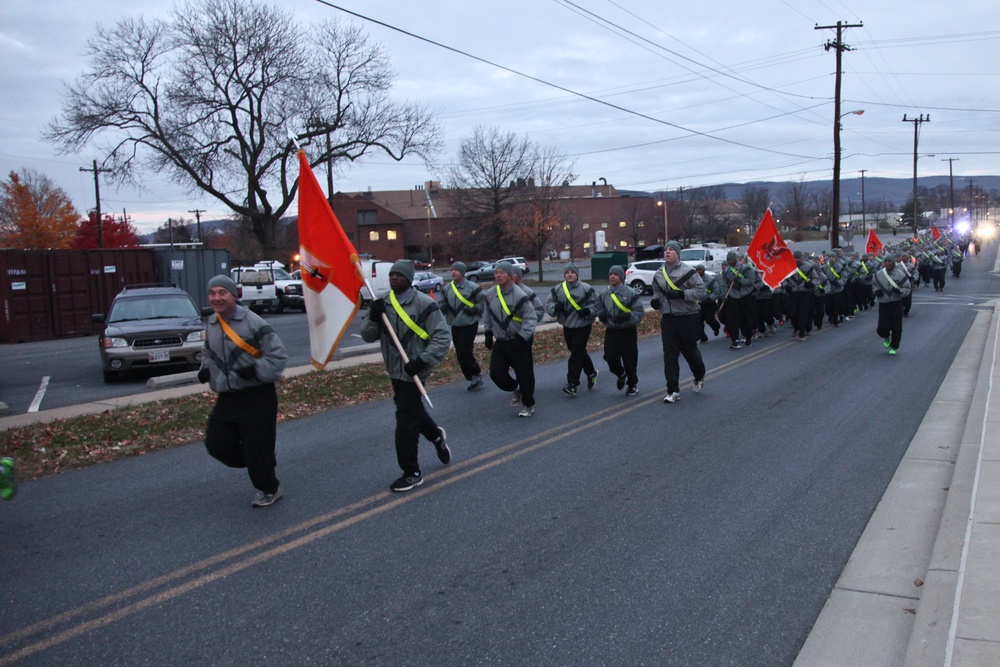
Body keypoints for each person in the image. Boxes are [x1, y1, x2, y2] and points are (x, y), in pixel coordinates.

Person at [361, 260, 452, 492]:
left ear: (409, 279)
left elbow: (442, 338)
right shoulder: (381, 302)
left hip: (416, 370)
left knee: (405, 419)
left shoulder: (424, 303)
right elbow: (367, 336)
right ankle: (436, 436)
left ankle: (411, 472)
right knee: (409, 409)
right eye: (391, 275)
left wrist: (422, 361)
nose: (393, 278)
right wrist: (373, 316)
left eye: (399, 275)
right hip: (395, 369)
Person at [199, 275, 289, 508]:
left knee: (256, 447)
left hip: (257, 395)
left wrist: (257, 371)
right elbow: (209, 353)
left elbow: (278, 356)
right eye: (213, 293)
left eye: (222, 293)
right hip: (227, 397)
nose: (216, 298)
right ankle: (262, 461)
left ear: (233, 295)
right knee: (216, 444)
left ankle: (269, 488)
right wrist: (204, 370)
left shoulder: (253, 322)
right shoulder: (210, 323)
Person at [649, 241, 707, 403]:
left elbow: (701, 291)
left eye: (671, 250)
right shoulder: (659, 274)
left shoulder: (688, 271)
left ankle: (699, 374)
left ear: (678, 254)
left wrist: (682, 294)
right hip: (668, 318)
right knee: (670, 354)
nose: (667, 252)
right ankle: (673, 390)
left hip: (687, 317)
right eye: (666, 250)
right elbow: (657, 292)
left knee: (690, 352)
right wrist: (655, 301)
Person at [483, 261, 538, 417]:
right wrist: (488, 333)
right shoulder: (490, 294)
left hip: (519, 341)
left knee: (525, 374)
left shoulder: (520, 296)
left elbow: (531, 317)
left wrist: (522, 337)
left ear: (510, 275)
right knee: (495, 373)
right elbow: (487, 315)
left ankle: (528, 404)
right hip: (501, 341)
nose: (498, 275)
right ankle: (515, 388)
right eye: (496, 272)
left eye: (501, 272)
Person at [546, 262, 599, 396]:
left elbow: (597, 305)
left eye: (572, 272)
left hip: (583, 326)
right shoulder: (558, 290)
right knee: (578, 352)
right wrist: (555, 308)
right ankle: (591, 372)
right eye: (567, 272)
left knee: (576, 354)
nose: (570, 275)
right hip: (567, 326)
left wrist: (588, 311)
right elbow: (549, 304)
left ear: (577, 275)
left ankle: (572, 384)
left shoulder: (586, 289)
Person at [436, 261, 485, 391]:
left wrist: (474, 309)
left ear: (462, 272)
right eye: (452, 270)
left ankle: (476, 374)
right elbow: (440, 302)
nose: (453, 272)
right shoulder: (447, 289)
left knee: (465, 350)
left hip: (469, 323)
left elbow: (482, 304)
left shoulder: (473, 288)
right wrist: (443, 307)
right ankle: (470, 376)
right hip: (455, 324)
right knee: (459, 353)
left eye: (456, 270)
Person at [597, 265, 645, 395]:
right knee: (609, 357)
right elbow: (599, 307)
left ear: (621, 277)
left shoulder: (630, 293)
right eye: (610, 274)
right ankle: (621, 373)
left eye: (615, 274)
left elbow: (639, 312)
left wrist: (628, 316)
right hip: (611, 331)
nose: (612, 276)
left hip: (627, 331)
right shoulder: (604, 293)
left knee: (630, 360)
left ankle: (632, 384)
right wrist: (601, 315)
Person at [872, 254, 912, 355]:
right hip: (884, 304)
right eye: (886, 261)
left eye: (890, 261)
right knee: (882, 327)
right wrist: (876, 291)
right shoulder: (878, 274)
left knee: (897, 327)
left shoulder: (900, 275)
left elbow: (907, 288)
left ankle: (894, 346)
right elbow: (874, 285)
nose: (888, 263)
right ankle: (886, 335)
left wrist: (900, 291)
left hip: (896, 303)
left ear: (894, 263)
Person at [717, 251, 757, 349]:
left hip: (745, 295)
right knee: (732, 319)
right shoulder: (726, 271)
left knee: (746, 318)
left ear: (736, 259)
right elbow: (724, 284)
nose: (730, 262)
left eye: (731, 260)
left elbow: (751, 281)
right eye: (728, 260)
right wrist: (724, 296)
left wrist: (739, 280)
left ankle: (748, 337)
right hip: (733, 296)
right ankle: (735, 340)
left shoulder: (746, 268)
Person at [783, 251, 820, 341]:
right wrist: (786, 286)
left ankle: (802, 333)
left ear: (801, 258)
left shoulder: (808, 267)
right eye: (795, 258)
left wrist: (811, 284)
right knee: (792, 313)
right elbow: (784, 279)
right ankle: (796, 327)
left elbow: (816, 278)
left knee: (803, 313)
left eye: (798, 258)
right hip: (793, 293)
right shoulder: (789, 267)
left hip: (804, 293)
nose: (796, 260)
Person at [694, 264, 721, 342]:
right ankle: (703, 337)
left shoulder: (709, 279)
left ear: (703, 271)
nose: (698, 271)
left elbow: (716, 290)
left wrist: (710, 298)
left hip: (709, 304)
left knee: (709, 319)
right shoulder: (693, 280)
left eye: (700, 270)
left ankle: (716, 327)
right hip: (698, 304)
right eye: (697, 270)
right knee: (698, 322)